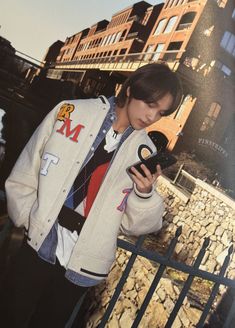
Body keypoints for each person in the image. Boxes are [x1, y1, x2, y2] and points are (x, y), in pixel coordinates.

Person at [0, 63, 182, 327]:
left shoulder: (144, 151)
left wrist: (144, 194)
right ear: (130, 89)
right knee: (8, 315)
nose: (151, 117)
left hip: (83, 263)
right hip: (39, 239)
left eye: (161, 112)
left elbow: (137, 226)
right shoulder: (72, 112)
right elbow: (29, 165)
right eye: (149, 103)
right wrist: (28, 217)